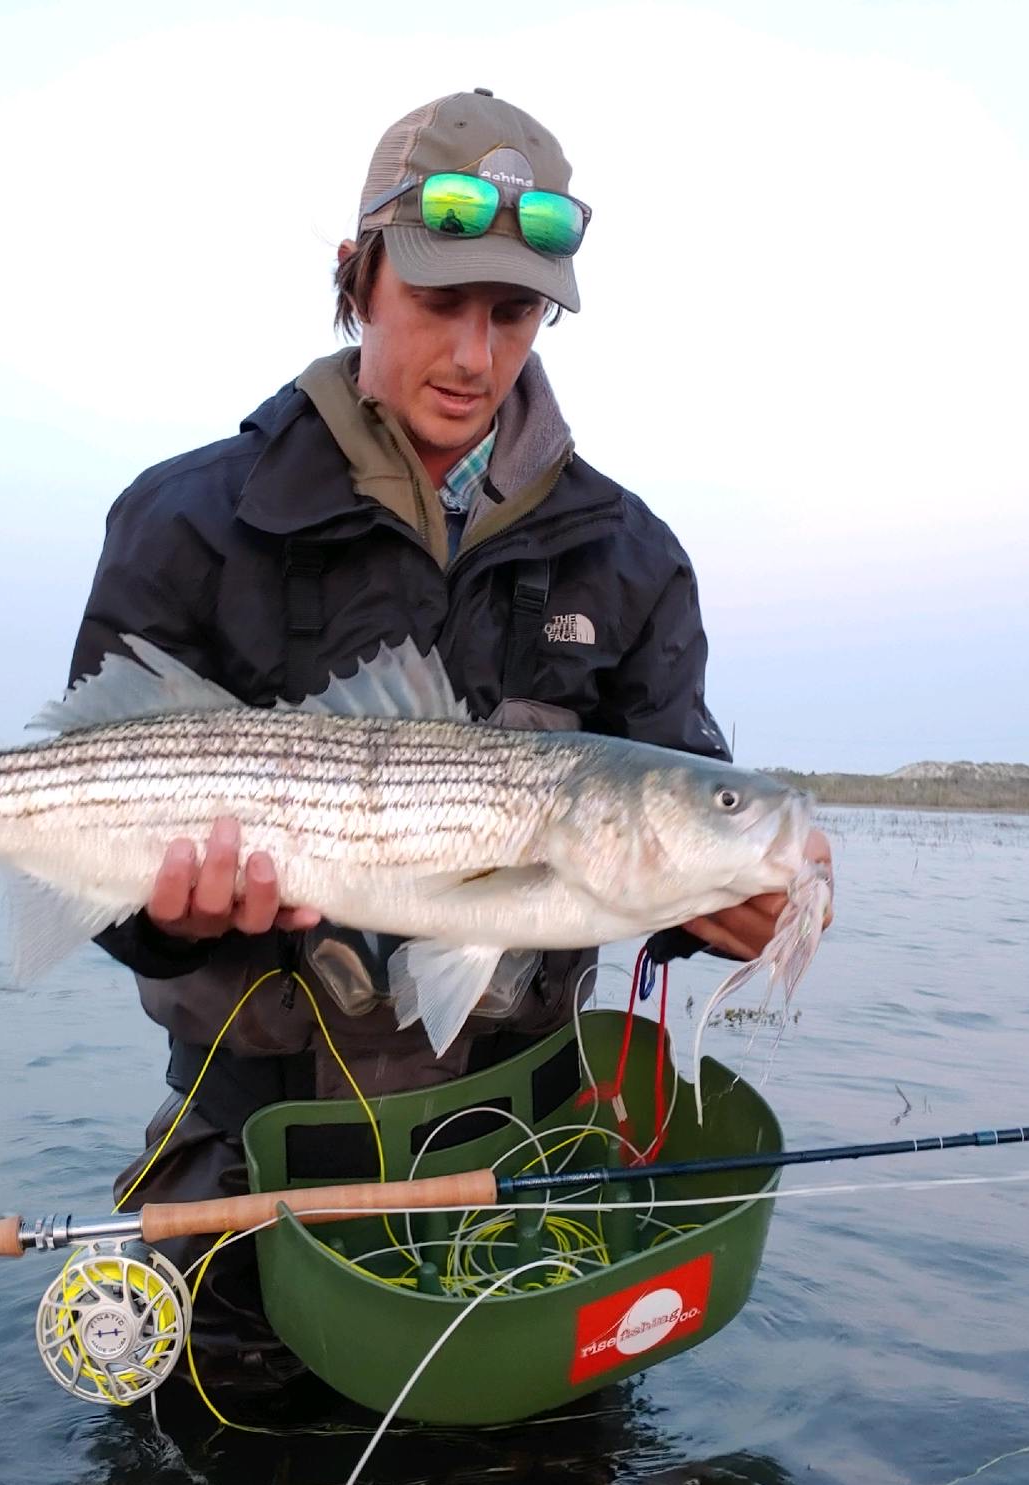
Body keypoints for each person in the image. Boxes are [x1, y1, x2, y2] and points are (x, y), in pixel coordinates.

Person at [66, 88, 832, 1382]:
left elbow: (665, 807)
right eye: (439, 301)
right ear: (358, 277)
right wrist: (175, 915)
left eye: (515, 312)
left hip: (521, 1150)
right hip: (250, 1147)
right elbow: (102, 850)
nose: (477, 354)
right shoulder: (189, 516)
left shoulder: (631, 558)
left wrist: (732, 899)